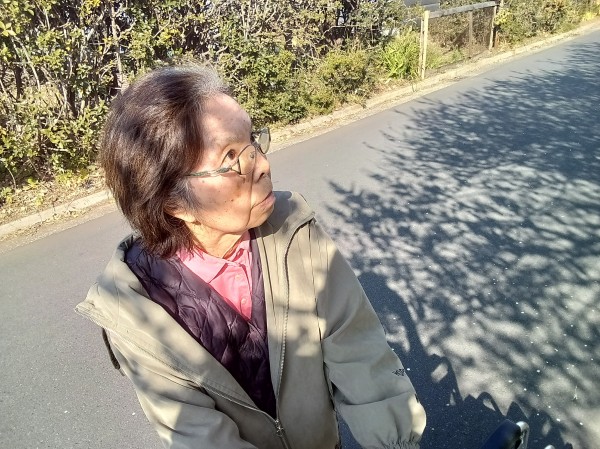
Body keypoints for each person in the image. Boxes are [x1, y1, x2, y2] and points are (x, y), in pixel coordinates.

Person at [76, 64, 426, 449]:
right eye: (231, 158)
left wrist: (396, 441)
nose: (262, 165)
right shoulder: (135, 313)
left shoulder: (293, 232)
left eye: (253, 141)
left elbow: (358, 350)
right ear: (174, 203)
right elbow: (201, 437)